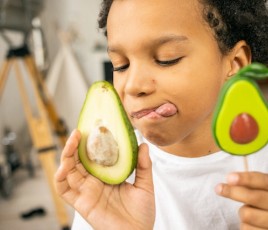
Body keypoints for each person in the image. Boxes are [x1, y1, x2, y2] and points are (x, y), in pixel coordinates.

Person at [55, 0, 268, 229]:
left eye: (167, 59)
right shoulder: (109, 181)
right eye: (120, 65)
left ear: (236, 64)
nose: (134, 86)